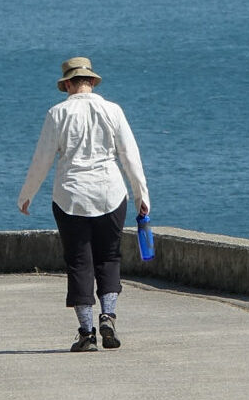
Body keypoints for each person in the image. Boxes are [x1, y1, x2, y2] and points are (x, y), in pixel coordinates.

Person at [17, 56, 150, 352]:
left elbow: (43, 159)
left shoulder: (57, 113)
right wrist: (142, 196)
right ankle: (108, 315)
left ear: (66, 84)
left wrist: (27, 194)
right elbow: (130, 155)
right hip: (111, 193)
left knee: (79, 261)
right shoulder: (113, 110)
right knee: (110, 257)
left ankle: (86, 332)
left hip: (70, 196)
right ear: (91, 81)